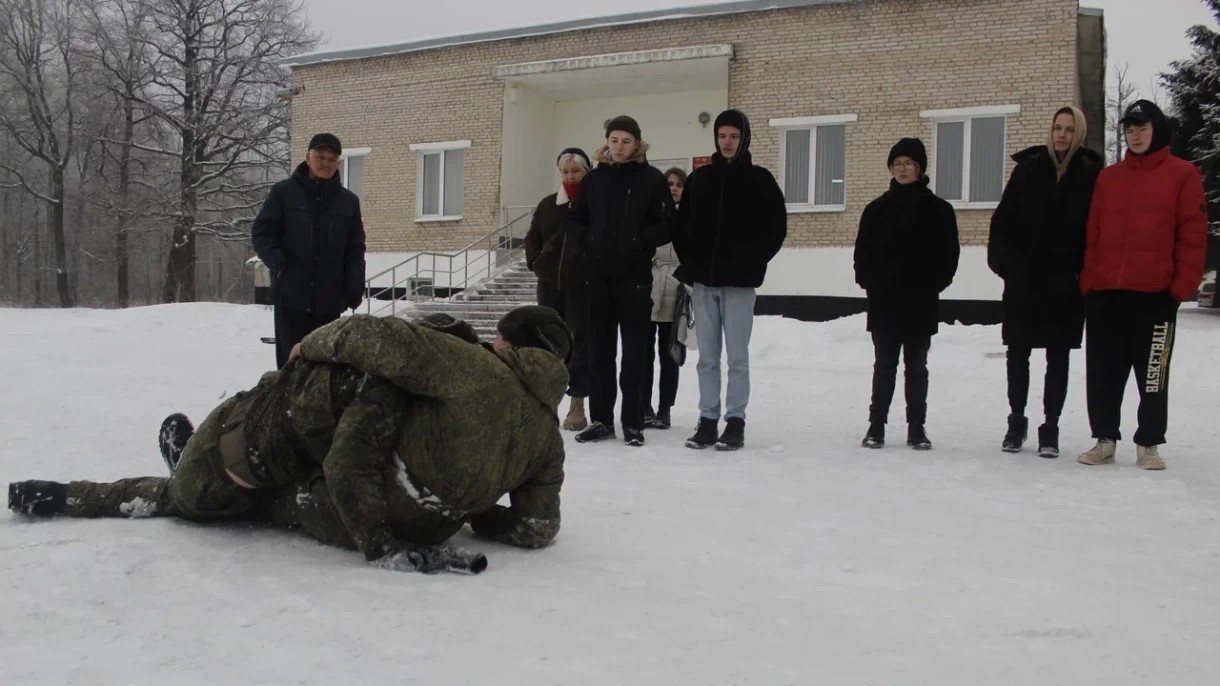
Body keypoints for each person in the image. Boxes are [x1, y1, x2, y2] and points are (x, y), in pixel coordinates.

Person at [9, 308, 573, 573]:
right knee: (268, 491)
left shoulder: (471, 364)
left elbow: (371, 335)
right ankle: (191, 465)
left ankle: (95, 488)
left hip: (354, 497)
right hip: (409, 522)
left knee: (211, 490)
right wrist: (478, 514)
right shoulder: (548, 435)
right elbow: (537, 527)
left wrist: (311, 343)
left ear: (507, 342)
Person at [1076, 100, 1208, 470]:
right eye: (1130, 129)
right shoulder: (1109, 178)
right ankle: (1104, 439)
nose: (1135, 136)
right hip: (1106, 295)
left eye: (1142, 128)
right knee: (1103, 373)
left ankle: (1149, 442)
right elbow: (1094, 232)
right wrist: (1090, 280)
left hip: (1156, 296)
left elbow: (1193, 236)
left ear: (1157, 130)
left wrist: (1180, 287)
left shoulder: (1182, 174)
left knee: (1152, 373)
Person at [987, 107, 1102, 458]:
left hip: (1064, 284)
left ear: (1078, 133)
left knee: (1059, 356)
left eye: (1069, 129)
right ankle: (1016, 422)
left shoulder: (1090, 174)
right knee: (1017, 353)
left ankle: (1050, 427)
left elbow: (1096, 231)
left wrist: (1082, 274)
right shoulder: (1028, 169)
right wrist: (1008, 266)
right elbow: (1002, 222)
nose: (1062, 135)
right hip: (1024, 281)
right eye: (1057, 127)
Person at [672, 109, 787, 451]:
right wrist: (692, 264)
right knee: (707, 357)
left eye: (734, 136)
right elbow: (683, 228)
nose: (727, 142)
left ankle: (735, 421)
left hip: (740, 284)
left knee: (737, 357)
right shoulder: (699, 180)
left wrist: (753, 260)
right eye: (722, 135)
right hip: (705, 283)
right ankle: (707, 420)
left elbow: (776, 228)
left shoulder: (760, 180)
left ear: (744, 138)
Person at [567, 115, 674, 447]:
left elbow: (667, 223)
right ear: (606, 142)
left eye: (626, 141)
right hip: (598, 279)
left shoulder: (652, 179)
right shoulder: (594, 181)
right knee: (600, 352)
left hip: (635, 279)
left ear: (637, 144)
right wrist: (589, 243)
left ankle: (633, 421)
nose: (620, 146)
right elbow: (576, 221)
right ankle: (601, 420)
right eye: (614, 140)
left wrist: (638, 240)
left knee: (635, 354)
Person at [853, 138, 960, 450]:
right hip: (884, 301)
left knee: (917, 366)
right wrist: (869, 282)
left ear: (920, 168)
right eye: (897, 163)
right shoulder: (876, 210)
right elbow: (862, 254)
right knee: (884, 364)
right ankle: (876, 426)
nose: (902, 169)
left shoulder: (939, 210)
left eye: (909, 163)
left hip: (920, 301)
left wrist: (934, 284)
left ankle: (917, 427)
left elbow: (949, 255)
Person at [252, 133, 367, 369]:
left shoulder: (348, 202)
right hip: (291, 297)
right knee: (290, 366)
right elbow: (262, 233)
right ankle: (287, 405)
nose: (325, 163)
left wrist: (354, 285)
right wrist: (279, 264)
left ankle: (319, 406)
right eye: (320, 156)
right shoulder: (283, 193)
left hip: (330, 300)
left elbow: (355, 248)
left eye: (332, 159)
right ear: (307, 157)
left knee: (324, 367)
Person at [524, 147, 593, 431]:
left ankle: (577, 404)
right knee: (550, 343)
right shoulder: (548, 204)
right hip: (550, 287)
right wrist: (537, 263)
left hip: (582, 288)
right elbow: (532, 238)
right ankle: (548, 403)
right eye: (565, 171)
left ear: (587, 171)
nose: (570, 176)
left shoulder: (594, 205)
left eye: (576, 170)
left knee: (579, 344)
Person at [642, 168, 687, 430]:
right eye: (669, 184)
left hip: (676, 288)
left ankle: (665, 408)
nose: (673, 188)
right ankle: (644, 405)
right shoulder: (652, 214)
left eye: (679, 184)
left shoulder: (689, 217)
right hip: (650, 285)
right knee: (644, 354)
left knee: (669, 353)